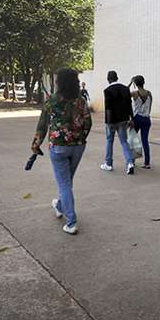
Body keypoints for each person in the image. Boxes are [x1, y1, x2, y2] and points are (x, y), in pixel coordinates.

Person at [31, 68, 92, 235]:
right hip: (78, 146)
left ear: (59, 82)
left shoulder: (52, 101)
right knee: (67, 181)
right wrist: (79, 137)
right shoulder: (80, 101)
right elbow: (88, 123)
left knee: (65, 183)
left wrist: (36, 145)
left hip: (58, 146)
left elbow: (42, 125)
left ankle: (71, 222)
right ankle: (59, 206)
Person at [101, 70, 135, 175]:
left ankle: (108, 164)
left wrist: (108, 122)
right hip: (124, 119)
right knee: (124, 141)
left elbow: (108, 108)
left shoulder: (107, 90)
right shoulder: (125, 89)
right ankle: (130, 163)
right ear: (117, 77)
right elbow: (129, 105)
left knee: (109, 141)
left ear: (108, 79)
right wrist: (132, 118)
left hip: (112, 120)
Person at [129, 75, 153, 169]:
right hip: (147, 119)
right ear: (144, 82)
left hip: (137, 118)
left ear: (135, 83)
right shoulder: (149, 93)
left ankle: (132, 161)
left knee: (133, 139)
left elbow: (124, 93)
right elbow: (150, 107)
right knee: (145, 141)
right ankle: (147, 163)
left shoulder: (135, 93)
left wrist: (130, 83)